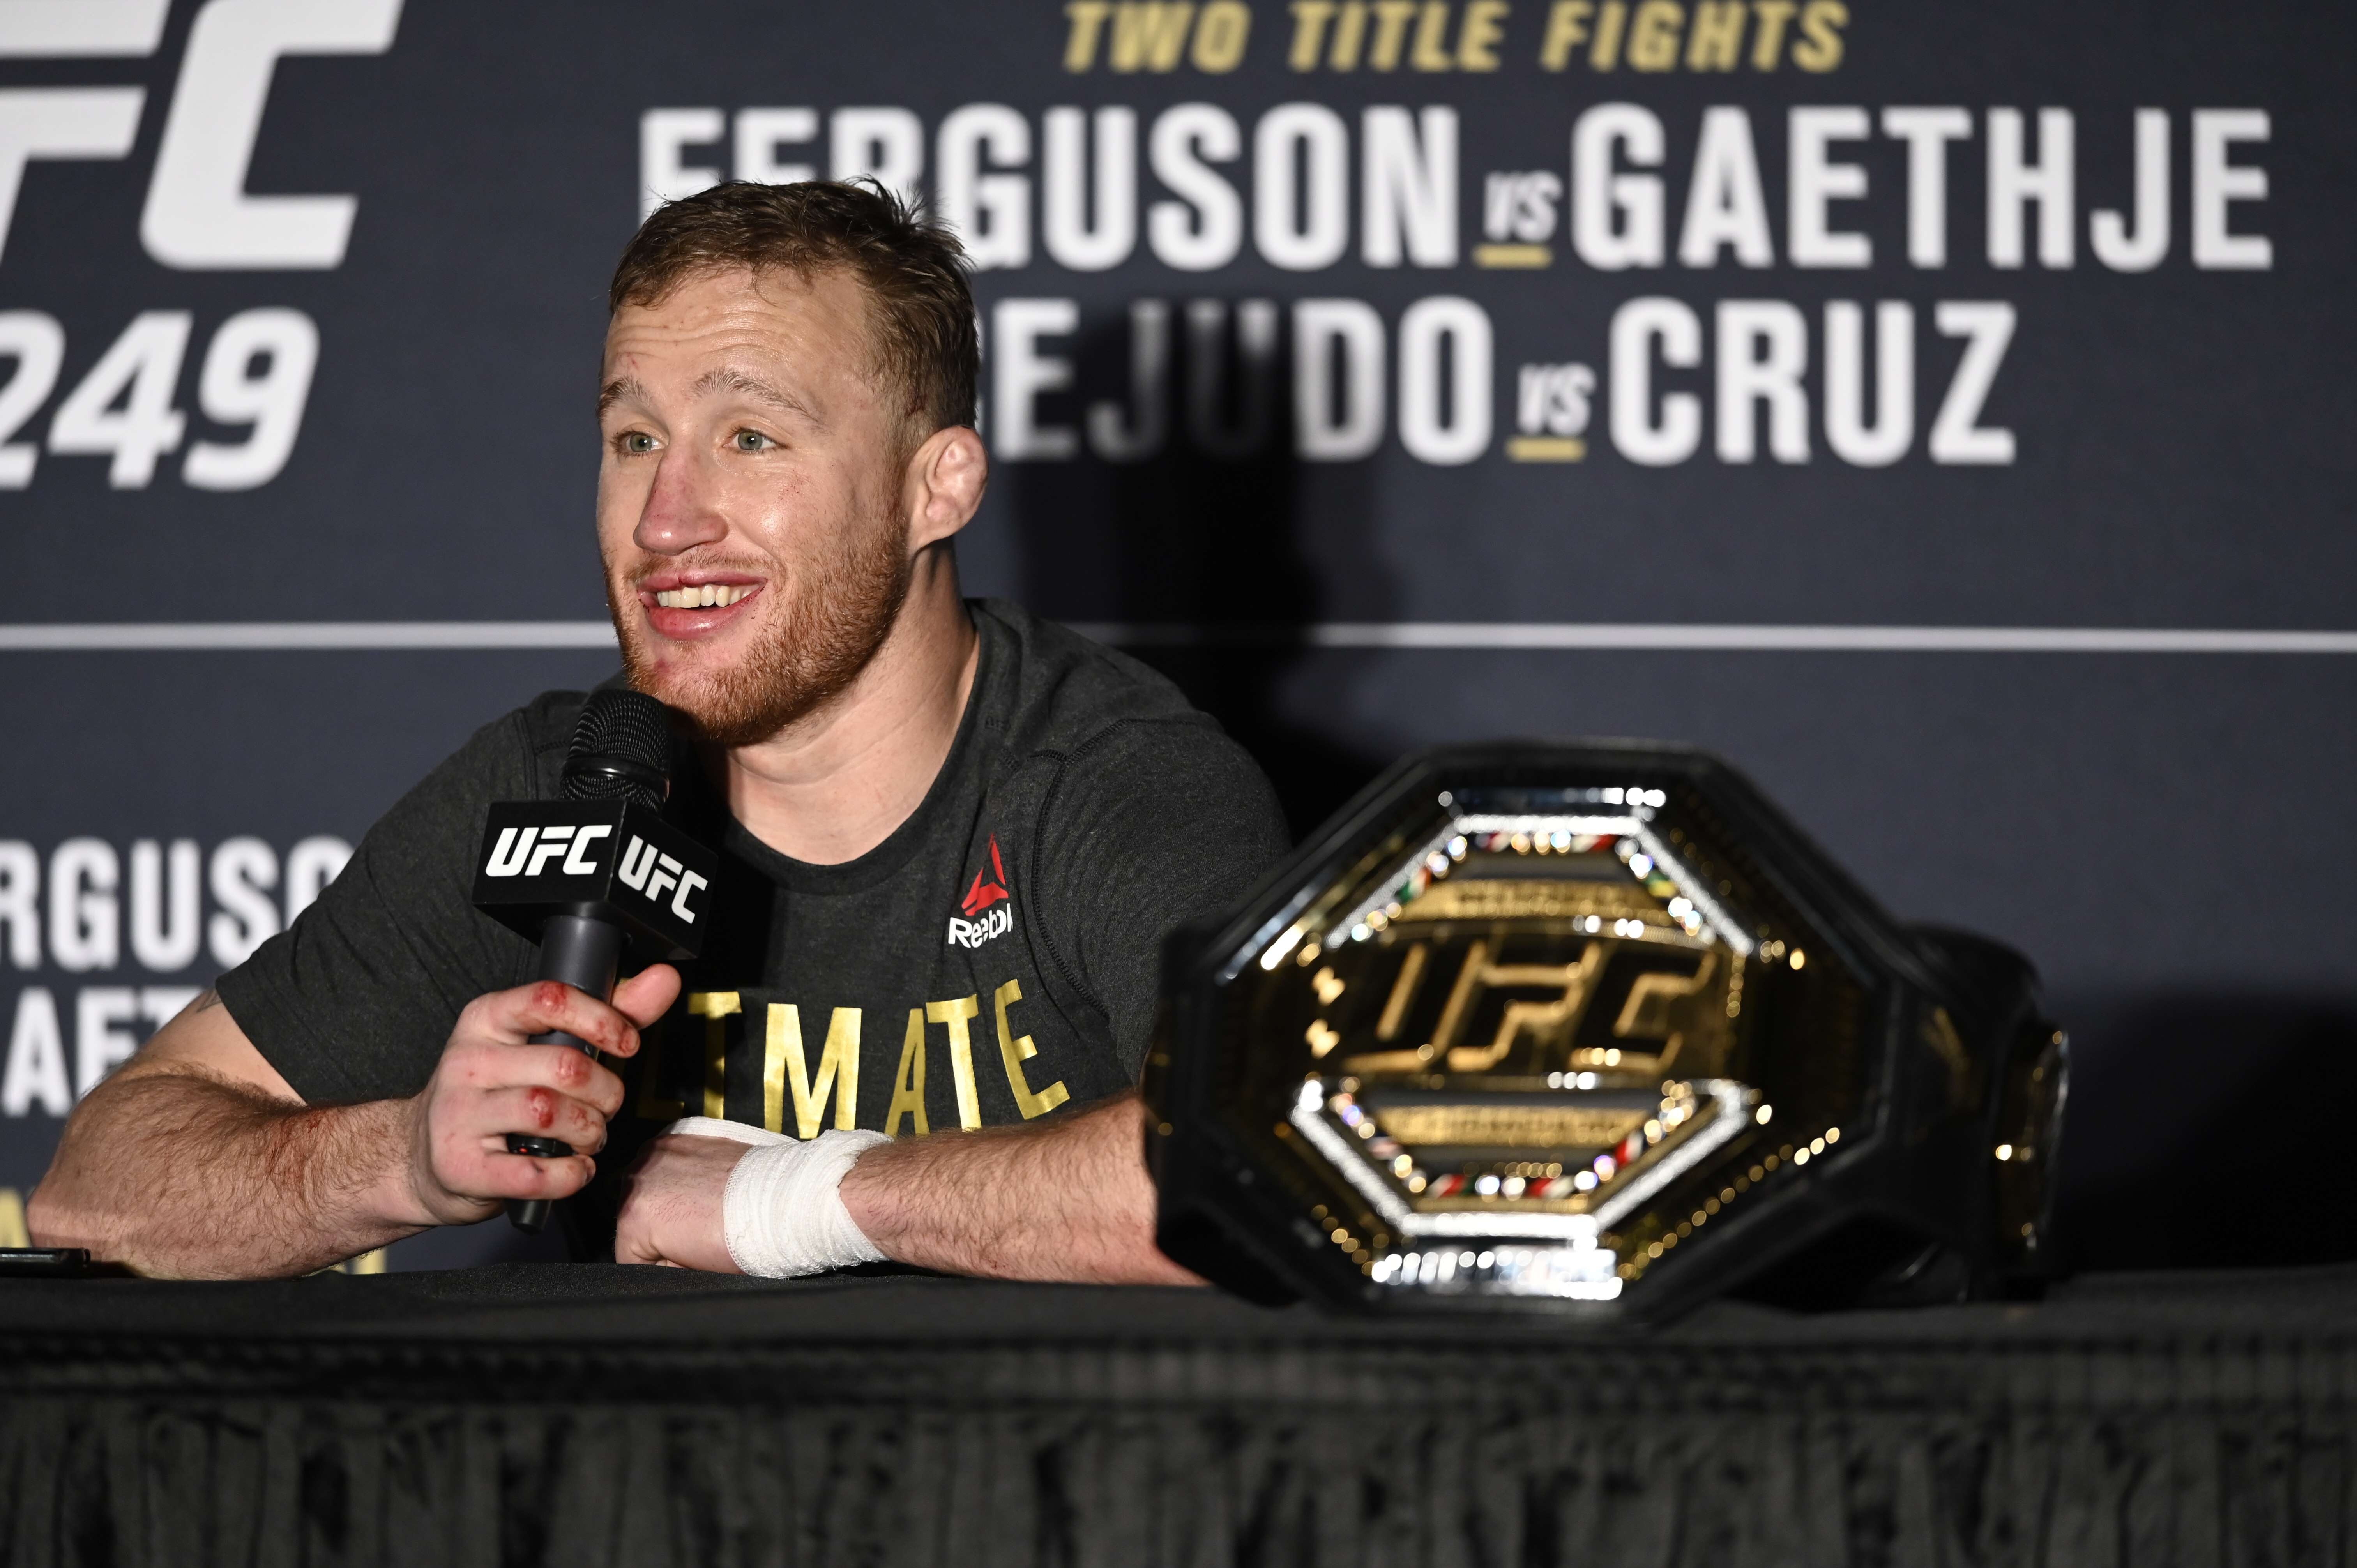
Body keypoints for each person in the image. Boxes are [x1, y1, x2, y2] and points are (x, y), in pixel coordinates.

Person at [29, 180, 1290, 1281]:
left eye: (750, 437)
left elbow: (1270, 1159)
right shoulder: (567, 783)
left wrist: (781, 1203)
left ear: (935, 486)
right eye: (635, 438)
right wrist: (403, 1160)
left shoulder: (1106, 780)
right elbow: (97, 1188)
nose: (666, 518)